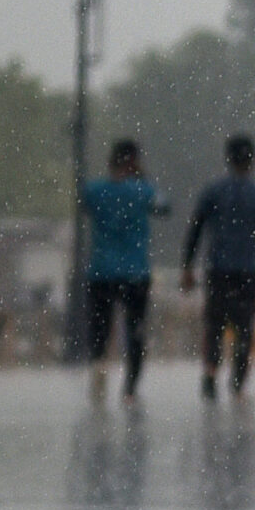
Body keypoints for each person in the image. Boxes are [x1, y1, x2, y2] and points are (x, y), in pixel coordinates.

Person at [180, 135, 255, 402]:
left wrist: (187, 265)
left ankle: (211, 372)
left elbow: (196, 229)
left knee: (214, 324)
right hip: (248, 270)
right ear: (252, 160)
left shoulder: (213, 192)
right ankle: (237, 383)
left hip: (219, 269)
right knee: (245, 326)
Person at [81, 139, 169, 403]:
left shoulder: (94, 190)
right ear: (133, 161)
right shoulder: (143, 191)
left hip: (101, 271)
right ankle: (130, 387)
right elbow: (165, 206)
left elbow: (84, 205)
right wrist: (142, 177)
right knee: (136, 330)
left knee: (100, 328)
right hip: (135, 273)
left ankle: (98, 367)